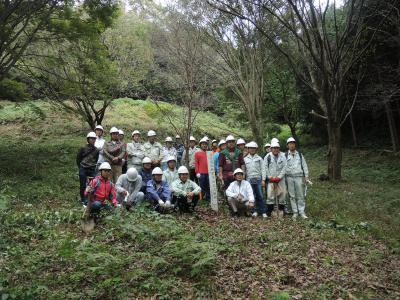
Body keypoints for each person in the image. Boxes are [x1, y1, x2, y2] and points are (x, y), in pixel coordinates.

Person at [285, 137, 310, 219]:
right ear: (287, 145)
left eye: (293, 143)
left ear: (295, 145)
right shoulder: (284, 155)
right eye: (290, 144)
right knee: (292, 195)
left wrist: (306, 176)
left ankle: (301, 212)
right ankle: (295, 212)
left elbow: (304, 166)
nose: (292, 145)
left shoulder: (299, 155)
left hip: (299, 177)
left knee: (300, 195)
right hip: (289, 177)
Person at [262, 140, 287, 217]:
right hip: (271, 179)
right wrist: (269, 177)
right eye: (273, 148)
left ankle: (281, 210)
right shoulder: (268, 156)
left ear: (279, 148)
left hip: (281, 179)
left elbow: (285, 167)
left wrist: (279, 177)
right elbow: (265, 167)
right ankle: (270, 211)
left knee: (282, 194)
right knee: (270, 195)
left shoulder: (283, 156)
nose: (275, 149)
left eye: (277, 148)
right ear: (271, 148)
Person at [244, 141, 267, 218]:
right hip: (249, 179)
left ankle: (263, 211)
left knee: (260, 195)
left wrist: (263, 180)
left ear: (256, 149)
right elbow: (244, 171)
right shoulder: (245, 159)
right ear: (248, 149)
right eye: (251, 148)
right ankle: (255, 211)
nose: (252, 149)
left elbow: (263, 169)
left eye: (254, 148)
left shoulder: (259, 158)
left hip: (258, 179)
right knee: (252, 196)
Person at [77, 132, 99, 204]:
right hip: (83, 167)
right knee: (82, 184)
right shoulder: (83, 148)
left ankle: (91, 198)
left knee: (93, 184)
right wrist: (80, 166)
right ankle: (83, 198)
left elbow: (96, 159)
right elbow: (78, 158)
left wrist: (92, 165)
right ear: (88, 139)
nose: (93, 140)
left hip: (92, 168)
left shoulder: (96, 150)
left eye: (94, 139)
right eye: (91, 138)